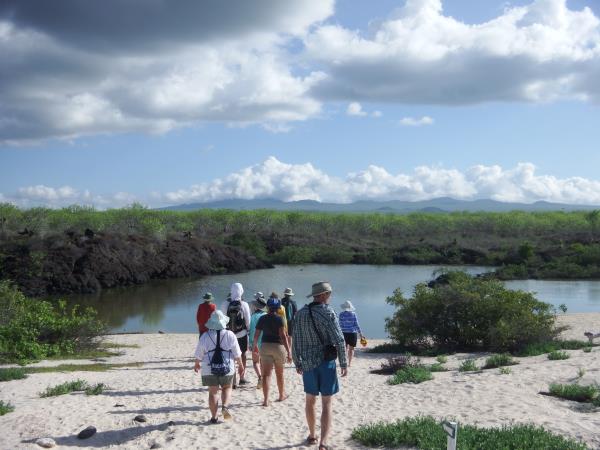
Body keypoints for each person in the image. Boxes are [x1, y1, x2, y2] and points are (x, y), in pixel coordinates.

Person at [292, 282, 347, 450]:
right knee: (327, 403)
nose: (329, 297)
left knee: (310, 401)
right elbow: (338, 339)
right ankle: (323, 443)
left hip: (307, 363)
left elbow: (296, 340)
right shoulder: (327, 312)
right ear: (322, 295)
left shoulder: (300, 314)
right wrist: (344, 362)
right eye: (328, 294)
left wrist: (297, 361)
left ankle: (312, 435)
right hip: (326, 362)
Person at [194, 310, 244, 423]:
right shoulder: (230, 335)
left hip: (208, 367)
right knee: (227, 387)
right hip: (227, 366)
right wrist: (241, 366)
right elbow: (237, 353)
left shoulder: (205, 336)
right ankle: (225, 406)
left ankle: (214, 417)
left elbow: (199, 353)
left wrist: (197, 364)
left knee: (213, 392)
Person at [253, 296, 292, 406]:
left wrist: (255, 346)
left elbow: (256, 335)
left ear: (268, 308)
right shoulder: (279, 319)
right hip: (278, 347)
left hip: (265, 346)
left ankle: (265, 400)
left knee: (266, 375)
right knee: (279, 374)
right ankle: (281, 395)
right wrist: (289, 352)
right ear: (277, 308)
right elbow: (283, 336)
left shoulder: (262, 318)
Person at [220, 282, 252, 386]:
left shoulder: (225, 304)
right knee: (242, 355)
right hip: (241, 334)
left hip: (229, 334)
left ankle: (232, 381)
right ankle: (242, 378)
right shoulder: (244, 304)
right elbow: (248, 322)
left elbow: (221, 321)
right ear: (241, 291)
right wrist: (248, 331)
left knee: (231, 356)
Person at [249, 292, 268, 389]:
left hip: (256, 342)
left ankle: (260, 377)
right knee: (263, 361)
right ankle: (264, 378)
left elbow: (252, 331)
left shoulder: (253, 316)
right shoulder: (267, 315)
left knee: (255, 362)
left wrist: (251, 343)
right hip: (265, 342)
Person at [338, 300, 363, 367]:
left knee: (345, 348)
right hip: (352, 333)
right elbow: (356, 324)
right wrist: (360, 333)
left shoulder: (341, 314)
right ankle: (349, 363)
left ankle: (345, 362)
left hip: (344, 333)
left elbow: (339, 325)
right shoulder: (353, 314)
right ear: (350, 307)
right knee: (351, 349)